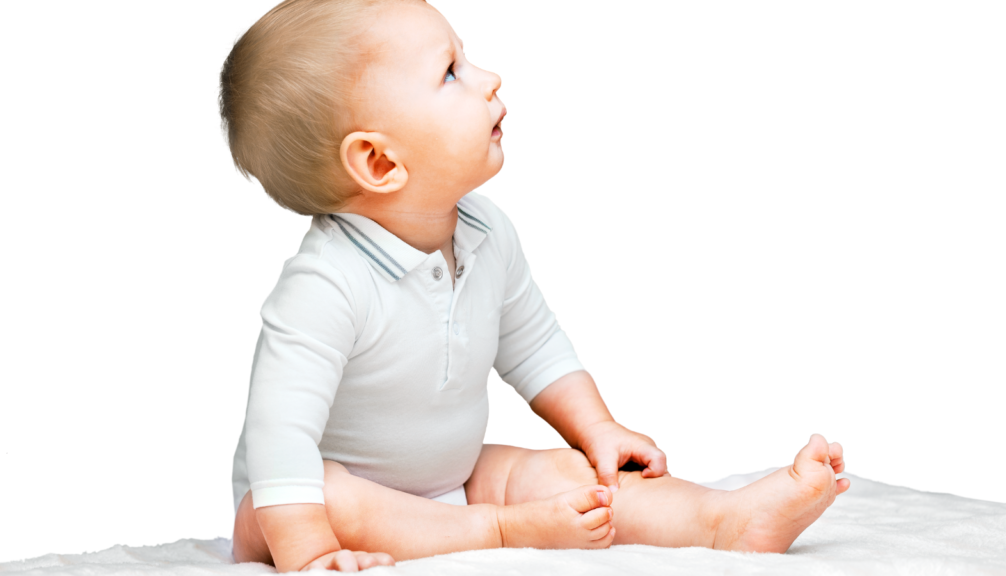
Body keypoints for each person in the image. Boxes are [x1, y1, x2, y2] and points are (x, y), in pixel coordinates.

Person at [219, 0, 850, 571]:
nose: (489, 78)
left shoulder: (486, 233)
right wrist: (308, 550)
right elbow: (280, 434)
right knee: (332, 494)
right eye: (451, 72)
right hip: (295, 508)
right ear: (380, 162)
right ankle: (499, 531)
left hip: (452, 481)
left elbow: (536, 347)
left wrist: (597, 428)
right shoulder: (326, 285)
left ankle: (722, 522)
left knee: (564, 475)